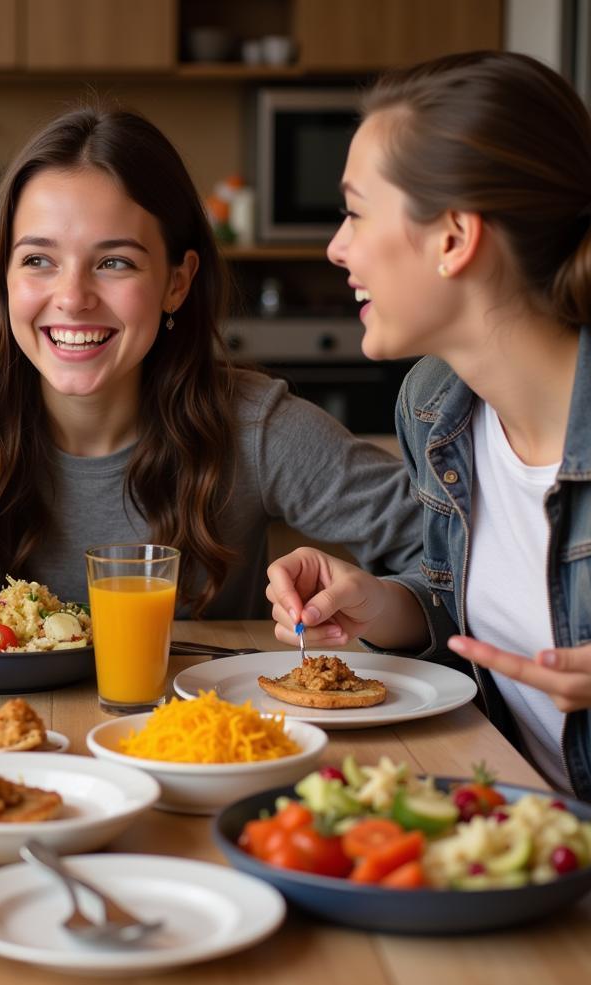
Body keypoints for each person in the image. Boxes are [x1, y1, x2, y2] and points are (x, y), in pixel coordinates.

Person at [0, 106, 422, 623]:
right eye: (37, 260)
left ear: (177, 283)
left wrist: (377, 602)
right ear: (3, 276)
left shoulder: (254, 426)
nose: (73, 296)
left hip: (192, 743)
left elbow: (442, 548)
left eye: (114, 263)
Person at [264, 51, 591, 799]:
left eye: (353, 212)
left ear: (452, 238)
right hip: (506, 821)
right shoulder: (435, 405)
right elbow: (466, 603)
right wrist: (382, 602)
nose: (336, 248)